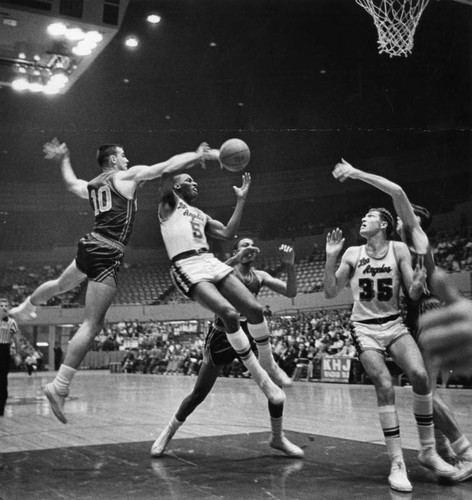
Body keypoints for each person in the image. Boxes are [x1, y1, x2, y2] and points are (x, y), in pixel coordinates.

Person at [9, 138, 220, 424]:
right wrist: (196, 155)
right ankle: (58, 387)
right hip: (108, 249)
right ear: (112, 161)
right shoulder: (124, 177)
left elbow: (72, 184)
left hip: (91, 243)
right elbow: (167, 166)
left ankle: (25, 306)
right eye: (123, 155)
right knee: (92, 323)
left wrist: (64, 159)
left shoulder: (95, 184)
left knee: (60, 284)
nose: (127, 160)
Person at [332, 159, 472, 480]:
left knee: (426, 392)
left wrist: (356, 174)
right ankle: (442, 452)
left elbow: (396, 192)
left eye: (400, 216)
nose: (396, 219)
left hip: (427, 312)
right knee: (424, 391)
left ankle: (463, 451)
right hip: (414, 313)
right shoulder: (396, 248)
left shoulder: (412, 233)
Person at [323, 207, 456, 492]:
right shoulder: (351, 254)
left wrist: (419, 285)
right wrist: (330, 256)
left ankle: (428, 451)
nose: (363, 219)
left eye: (369, 216)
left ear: (383, 223)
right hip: (364, 327)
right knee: (385, 385)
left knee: (419, 377)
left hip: (394, 324)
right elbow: (330, 291)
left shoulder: (398, 249)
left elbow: (412, 291)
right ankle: (397, 463)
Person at [151, 238, 303, 458]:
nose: (248, 248)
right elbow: (208, 275)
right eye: (243, 245)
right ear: (236, 251)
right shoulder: (222, 272)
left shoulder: (260, 276)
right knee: (199, 393)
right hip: (222, 336)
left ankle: (277, 438)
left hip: (247, 335)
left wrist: (290, 265)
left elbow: (290, 292)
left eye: (251, 245)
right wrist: (235, 259)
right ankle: (168, 432)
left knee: (275, 395)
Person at [157, 166, 290, 407]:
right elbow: (164, 175)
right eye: (190, 180)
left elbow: (229, 233)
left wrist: (241, 200)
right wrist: (196, 158)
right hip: (186, 263)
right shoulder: (168, 206)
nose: (195, 183)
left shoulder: (200, 214)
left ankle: (269, 364)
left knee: (255, 311)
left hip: (208, 259)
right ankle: (262, 378)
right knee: (229, 313)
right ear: (177, 187)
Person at [0, 298, 21, 416]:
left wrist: (17, 354)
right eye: (1, 305)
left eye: (5, 305)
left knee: (2, 381)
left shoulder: (11, 322)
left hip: (3, 350)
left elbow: (17, 340)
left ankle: (1, 408)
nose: (3, 307)